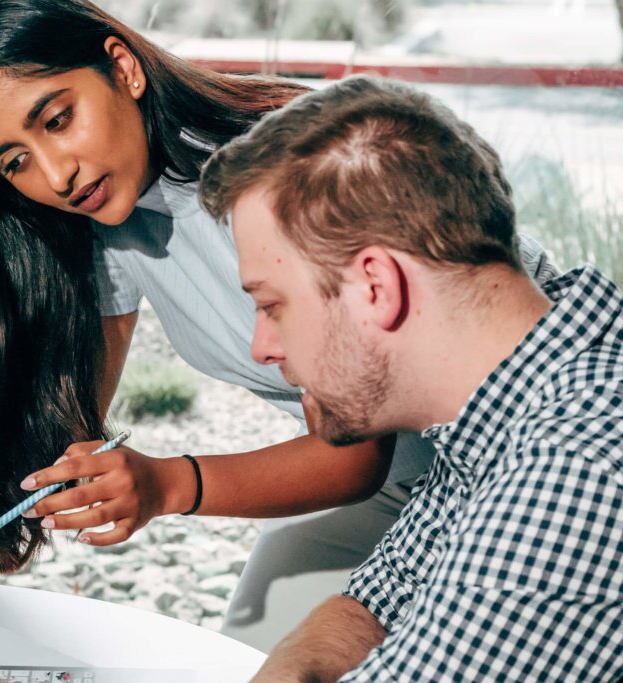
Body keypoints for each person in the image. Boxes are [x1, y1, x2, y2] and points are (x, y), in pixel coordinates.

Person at [0, 0, 556, 637]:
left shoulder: (281, 172)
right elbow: (61, 420)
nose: (57, 174)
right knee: (251, 649)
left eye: (58, 120)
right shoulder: (109, 220)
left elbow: (353, 457)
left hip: (529, 443)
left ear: (122, 67)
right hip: (413, 478)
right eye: (16, 162)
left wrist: (165, 482)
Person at [198, 75, 623, 680]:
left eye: (271, 306)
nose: (261, 347)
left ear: (377, 287)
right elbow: (378, 597)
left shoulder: (572, 468)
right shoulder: (507, 397)